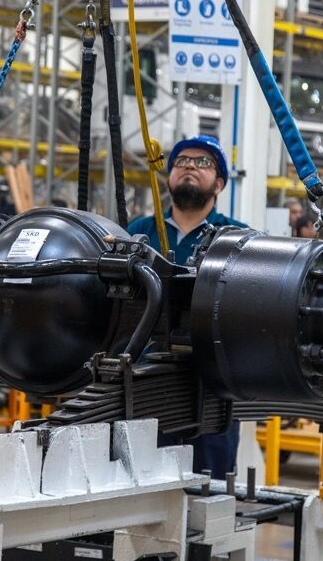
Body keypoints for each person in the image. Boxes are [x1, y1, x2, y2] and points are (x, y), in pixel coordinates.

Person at [127, 135, 246, 479]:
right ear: (168, 177)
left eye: (203, 162)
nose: (190, 166)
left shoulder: (237, 237)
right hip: (144, 381)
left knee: (208, 489)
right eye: (181, 161)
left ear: (219, 184)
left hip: (210, 386)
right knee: (138, 482)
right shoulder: (139, 232)